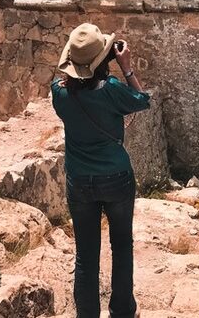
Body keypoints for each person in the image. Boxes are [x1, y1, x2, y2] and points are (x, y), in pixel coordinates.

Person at [51, 23, 150, 318]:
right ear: (103, 59)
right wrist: (127, 67)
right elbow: (143, 101)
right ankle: (122, 311)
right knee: (121, 246)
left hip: (79, 182)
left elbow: (70, 87)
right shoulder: (114, 91)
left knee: (85, 256)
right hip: (117, 178)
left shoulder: (59, 94)